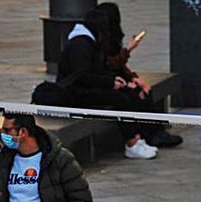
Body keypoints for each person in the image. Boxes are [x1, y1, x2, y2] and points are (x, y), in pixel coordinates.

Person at [56, 9, 158, 159]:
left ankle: (138, 136)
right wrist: (110, 82)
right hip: (74, 93)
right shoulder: (81, 44)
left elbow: (98, 70)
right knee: (120, 99)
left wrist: (118, 81)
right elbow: (81, 75)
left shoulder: (89, 42)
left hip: (84, 88)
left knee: (127, 93)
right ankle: (131, 142)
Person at [95, 2, 181, 148]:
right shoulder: (99, 40)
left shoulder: (111, 36)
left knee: (144, 90)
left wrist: (134, 78)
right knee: (134, 94)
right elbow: (109, 64)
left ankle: (156, 131)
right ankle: (147, 134)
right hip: (106, 81)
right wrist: (128, 49)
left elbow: (120, 66)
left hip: (115, 78)